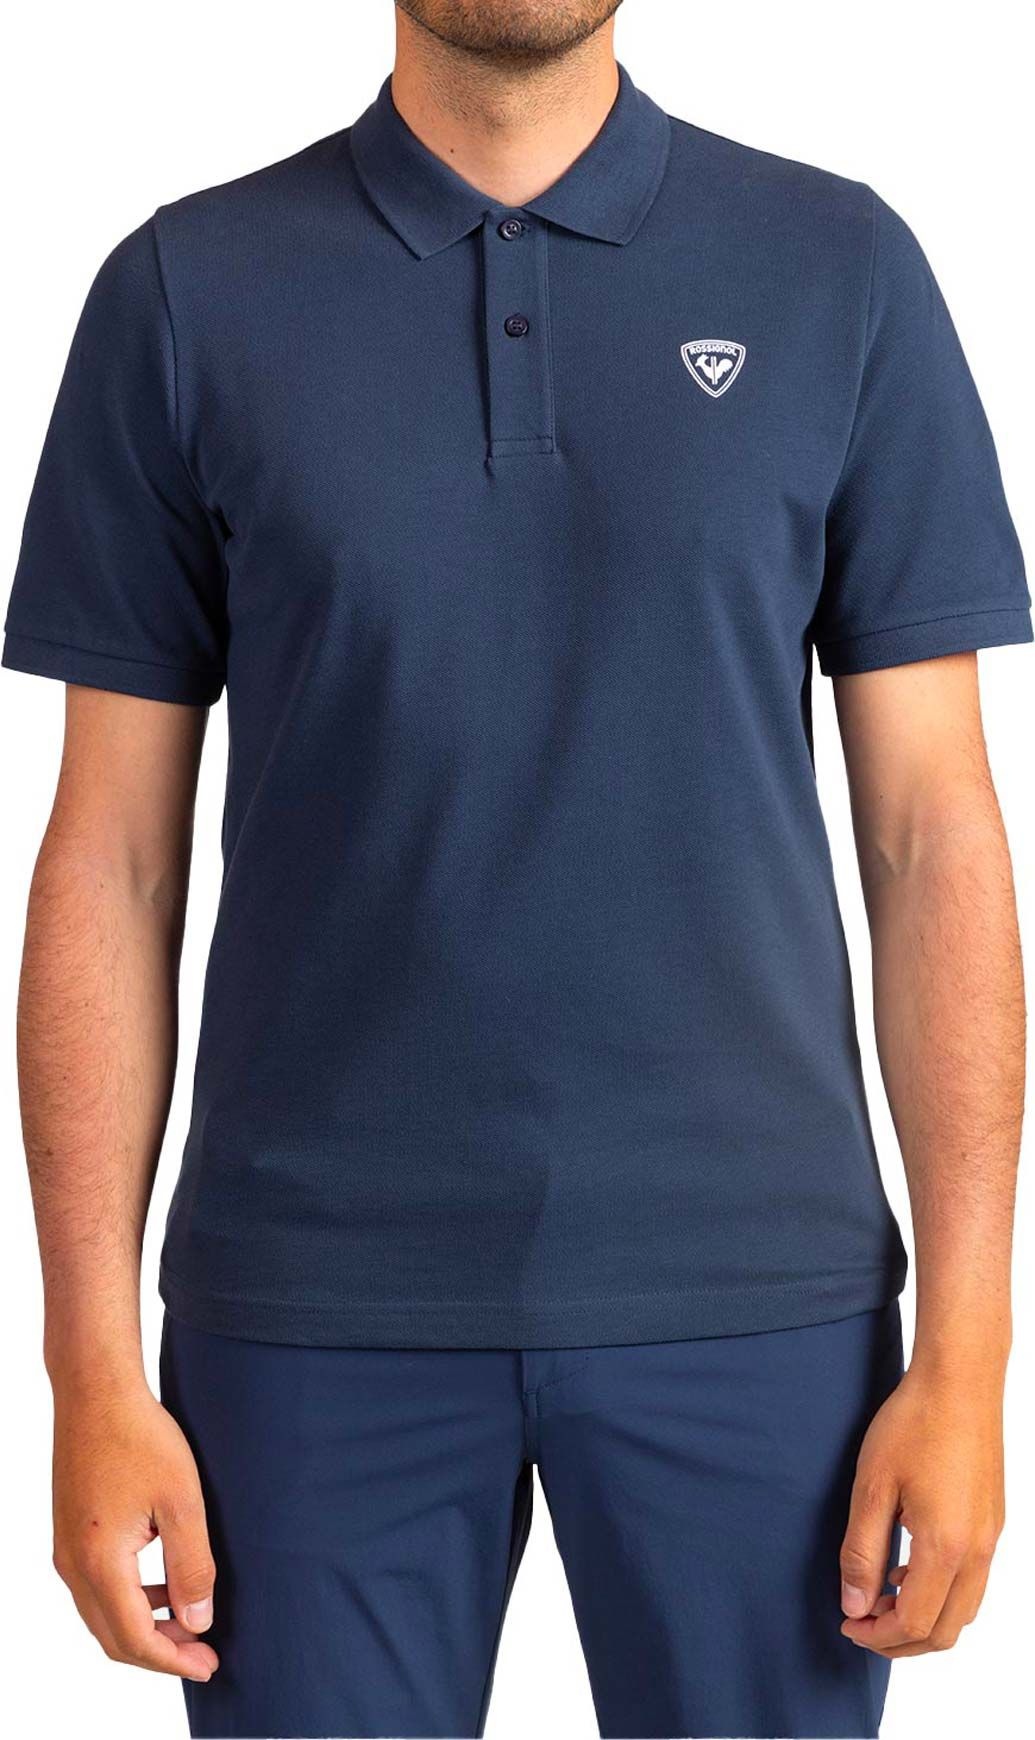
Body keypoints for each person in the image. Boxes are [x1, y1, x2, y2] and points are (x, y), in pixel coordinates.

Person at [4, 3, 1029, 1736]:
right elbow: (109, 859)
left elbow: (934, 833)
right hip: (308, 1311)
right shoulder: (184, 293)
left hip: (757, 1302)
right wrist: (86, 1370)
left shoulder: (838, 270)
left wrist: (974, 1357)